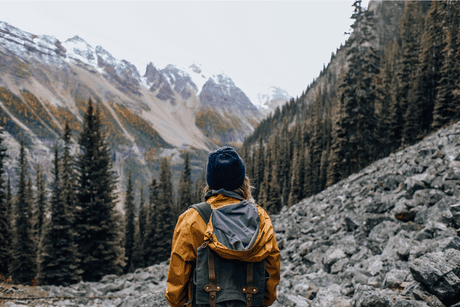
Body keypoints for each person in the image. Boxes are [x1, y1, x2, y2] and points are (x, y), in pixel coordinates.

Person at [166, 146, 280, 307]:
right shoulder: (261, 218)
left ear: (210, 183)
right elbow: (272, 270)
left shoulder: (192, 219)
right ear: (243, 181)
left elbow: (177, 281)